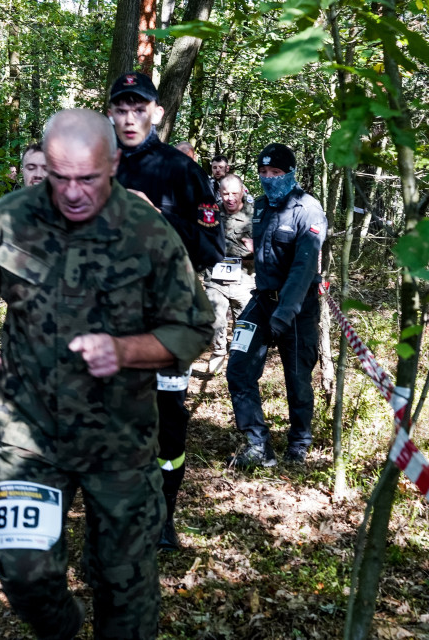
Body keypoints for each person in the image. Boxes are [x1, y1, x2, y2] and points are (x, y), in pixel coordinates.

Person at [0, 108, 213, 640]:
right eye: (60, 178)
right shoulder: (9, 218)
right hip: (29, 432)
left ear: (115, 163)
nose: (73, 192)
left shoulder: (147, 232)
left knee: (125, 588)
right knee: (22, 572)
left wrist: (126, 350)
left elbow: (193, 327)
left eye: (88, 179)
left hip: (118, 438)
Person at [107, 71, 223, 551]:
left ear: (156, 112)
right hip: (106, 318)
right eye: (121, 109)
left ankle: (162, 517)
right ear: (110, 114)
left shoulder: (181, 170)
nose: (130, 118)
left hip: (165, 319)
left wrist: (158, 216)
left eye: (140, 109)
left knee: (167, 423)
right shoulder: (95, 166)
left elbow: (212, 246)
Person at [226, 144, 327, 469]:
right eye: (264, 173)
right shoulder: (262, 208)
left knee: (297, 377)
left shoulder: (308, 209)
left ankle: (299, 442)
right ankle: (257, 443)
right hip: (262, 300)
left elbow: (304, 267)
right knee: (238, 367)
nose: (269, 179)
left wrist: (286, 311)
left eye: (276, 173)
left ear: (290, 173)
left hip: (297, 308)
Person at [197, 174, 256, 375]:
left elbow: (266, 246)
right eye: (225, 193)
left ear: (242, 192)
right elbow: (202, 240)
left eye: (234, 193)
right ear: (219, 193)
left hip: (244, 278)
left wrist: (255, 249)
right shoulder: (211, 214)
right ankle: (219, 351)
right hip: (216, 277)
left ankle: (239, 357)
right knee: (215, 317)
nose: (230, 198)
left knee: (244, 320)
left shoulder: (255, 215)